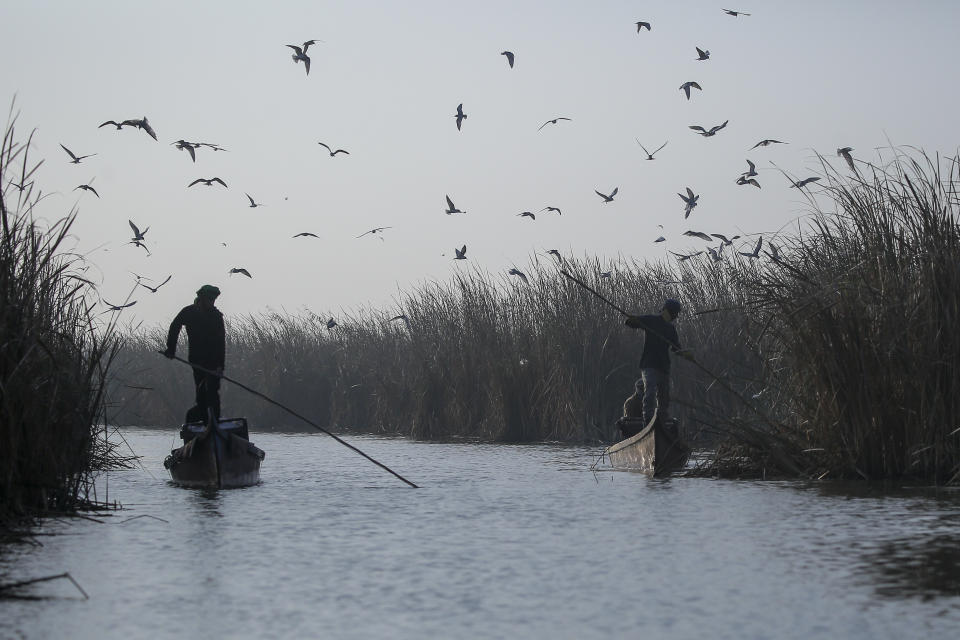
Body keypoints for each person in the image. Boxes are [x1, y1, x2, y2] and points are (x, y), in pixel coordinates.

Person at [624, 298, 691, 429]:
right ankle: (648, 421)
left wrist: (684, 353)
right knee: (649, 392)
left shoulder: (671, 329)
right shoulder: (651, 320)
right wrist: (633, 320)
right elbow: (629, 323)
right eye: (674, 313)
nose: (675, 316)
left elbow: (675, 348)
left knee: (664, 396)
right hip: (649, 364)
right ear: (667, 311)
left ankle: (662, 421)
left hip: (664, 366)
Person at [163, 285, 226, 423]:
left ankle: (214, 422)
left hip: (214, 363)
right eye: (209, 299)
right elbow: (175, 326)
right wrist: (171, 349)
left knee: (213, 392)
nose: (212, 302)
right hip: (197, 360)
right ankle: (203, 420)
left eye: (213, 299)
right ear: (202, 299)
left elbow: (221, 343)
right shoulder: (189, 312)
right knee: (202, 392)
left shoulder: (216, 316)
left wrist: (220, 366)